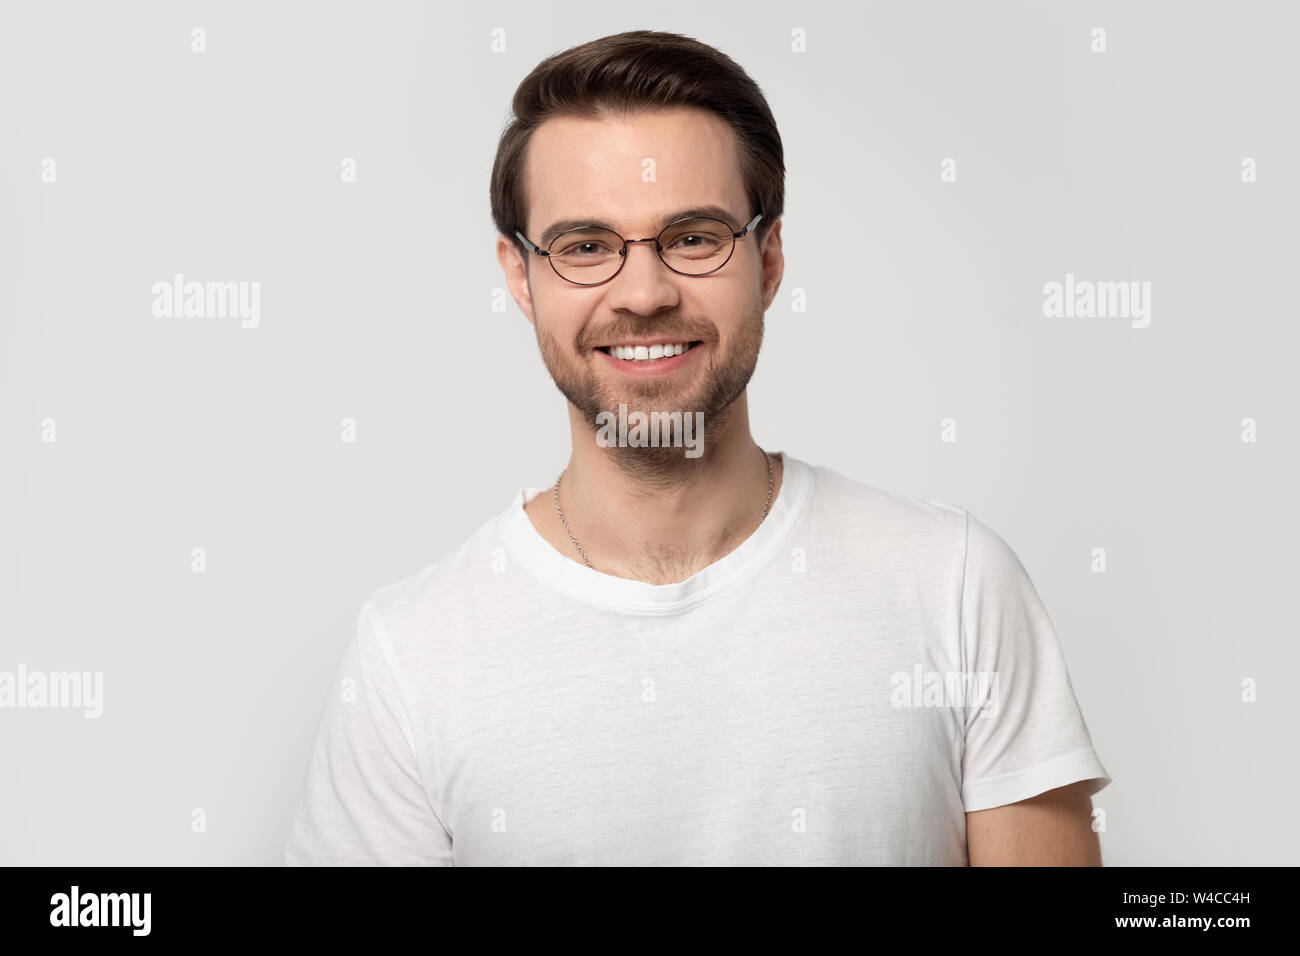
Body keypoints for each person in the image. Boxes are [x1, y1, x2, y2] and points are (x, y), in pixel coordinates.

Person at [285, 29, 1110, 866]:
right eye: (585, 248)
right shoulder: (408, 654)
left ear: (771, 258)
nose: (643, 294)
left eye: (692, 237)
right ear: (519, 276)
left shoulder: (956, 586)